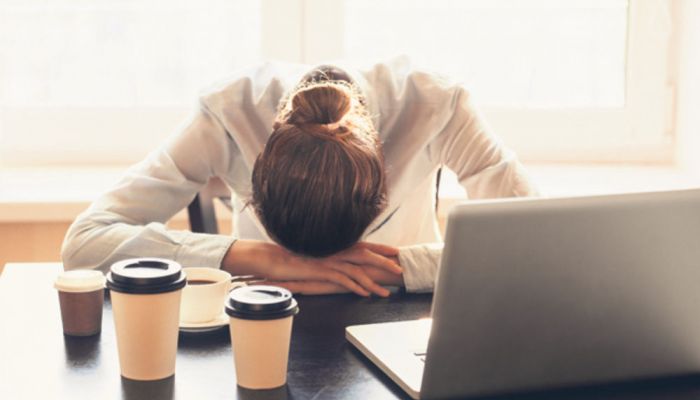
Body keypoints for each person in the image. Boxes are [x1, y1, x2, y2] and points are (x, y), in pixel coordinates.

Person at [61, 57, 538, 296]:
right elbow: (85, 243)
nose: (326, 268)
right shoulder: (230, 111)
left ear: (381, 188)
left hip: (400, 314)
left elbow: (541, 241)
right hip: (265, 306)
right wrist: (264, 259)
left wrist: (399, 267)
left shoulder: (437, 104)